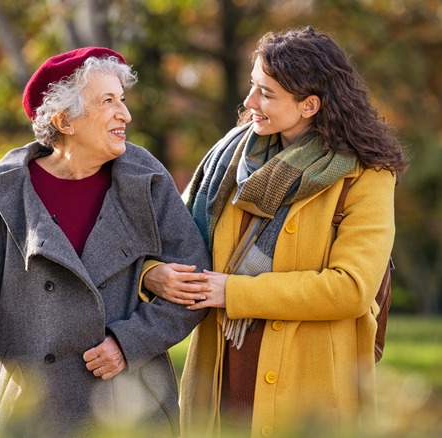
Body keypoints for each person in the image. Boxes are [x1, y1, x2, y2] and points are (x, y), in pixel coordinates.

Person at [0, 47, 211, 437]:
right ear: (64, 120)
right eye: (108, 101)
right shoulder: (4, 192)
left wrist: (129, 342)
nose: (125, 115)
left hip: (132, 405)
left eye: (123, 100)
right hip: (35, 410)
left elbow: (196, 281)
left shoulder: (145, 179)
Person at [143, 26, 408, 437]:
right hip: (220, 379)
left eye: (266, 93)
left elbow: (351, 288)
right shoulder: (229, 162)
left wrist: (233, 292)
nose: (249, 103)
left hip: (309, 388)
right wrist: (152, 273)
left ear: (309, 105)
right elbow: (170, 242)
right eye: (252, 87)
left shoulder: (366, 176)